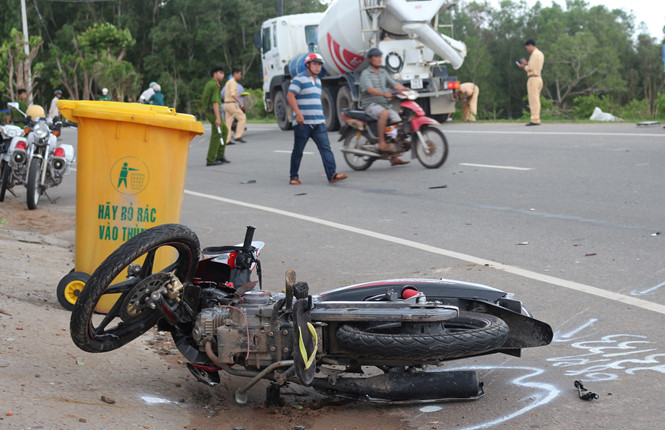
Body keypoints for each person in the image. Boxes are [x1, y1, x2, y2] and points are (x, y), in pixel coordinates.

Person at [286, 53, 347, 185]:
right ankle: (293, 177)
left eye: (319, 64)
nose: (318, 67)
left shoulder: (318, 81)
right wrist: (298, 113)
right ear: (307, 65)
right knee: (298, 151)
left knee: (326, 149)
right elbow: (290, 95)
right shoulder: (299, 79)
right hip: (303, 123)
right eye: (315, 64)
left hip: (319, 122)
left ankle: (332, 175)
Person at [359, 47, 409, 166]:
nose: (379, 59)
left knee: (397, 120)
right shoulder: (366, 74)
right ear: (370, 59)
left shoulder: (383, 72)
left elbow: (394, 84)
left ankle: (394, 156)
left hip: (383, 104)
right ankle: (381, 142)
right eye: (376, 57)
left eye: (380, 57)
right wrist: (384, 94)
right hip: (370, 104)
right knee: (384, 114)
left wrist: (407, 90)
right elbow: (370, 90)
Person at [201, 66, 229, 166]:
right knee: (217, 133)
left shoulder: (211, 83)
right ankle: (210, 159)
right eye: (220, 73)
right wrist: (217, 118)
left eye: (223, 73)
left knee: (224, 131)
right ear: (215, 74)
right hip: (212, 112)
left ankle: (220, 156)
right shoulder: (215, 85)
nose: (222, 75)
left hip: (213, 111)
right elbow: (215, 102)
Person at [518, 39, 544, 126]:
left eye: (527, 48)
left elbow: (530, 68)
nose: (527, 50)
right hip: (539, 78)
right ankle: (536, 118)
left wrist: (523, 66)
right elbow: (534, 65)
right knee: (536, 99)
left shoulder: (534, 54)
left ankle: (535, 119)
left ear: (530, 45)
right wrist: (527, 63)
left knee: (533, 100)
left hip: (533, 79)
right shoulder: (540, 53)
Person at [223, 68, 247, 144]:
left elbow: (230, 94)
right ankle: (238, 136)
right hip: (232, 104)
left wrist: (239, 96)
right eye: (240, 74)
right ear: (235, 74)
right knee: (242, 118)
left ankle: (227, 140)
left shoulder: (228, 82)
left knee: (228, 123)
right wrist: (240, 102)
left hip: (226, 104)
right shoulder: (233, 82)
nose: (240, 76)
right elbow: (233, 95)